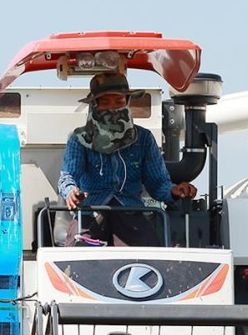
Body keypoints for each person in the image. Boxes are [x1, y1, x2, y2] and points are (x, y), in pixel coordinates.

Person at [57, 71, 197, 247]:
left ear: (127, 102)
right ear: (94, 104)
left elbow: (158, 183)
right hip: (90, 214)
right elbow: (67, 176)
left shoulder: (144, 138)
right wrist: (71, 192)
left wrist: (173, 191)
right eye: (105, 102)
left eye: (119, 101)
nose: (113, 108)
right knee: (77, 256)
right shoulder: (79, 138)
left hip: (131, 213)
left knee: (150, 259)